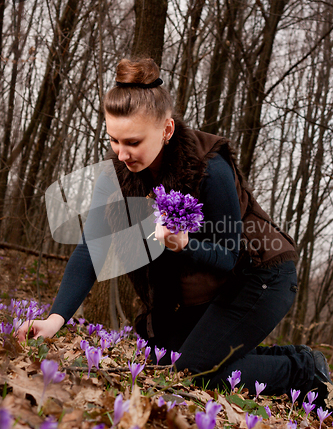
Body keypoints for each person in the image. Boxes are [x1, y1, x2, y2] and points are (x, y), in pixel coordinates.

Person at [18, 58, 332, 406]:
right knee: (168, 359)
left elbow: (228, 257)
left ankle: (304, 370)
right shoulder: (115, 174)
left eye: (133, 142)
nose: (122, 154)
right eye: (113, 140)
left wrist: (184, 244)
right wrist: (55, 319)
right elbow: (91, 247)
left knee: (195, 372)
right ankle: (288, 358)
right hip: (213, 280)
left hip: (260, 272)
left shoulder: (209, 167)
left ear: (166, 130)